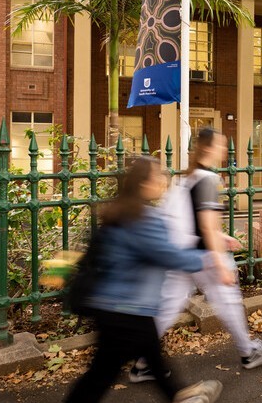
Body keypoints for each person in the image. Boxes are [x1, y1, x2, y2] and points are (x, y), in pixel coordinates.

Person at [64, 157, 223, 403]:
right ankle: (181, 397)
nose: (163, 181)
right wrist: (211, 258)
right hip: (126, 309)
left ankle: (179, 395)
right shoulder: (144, 218)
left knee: (150, 362)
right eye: (158, 176)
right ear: (143, 183)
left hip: (120, 307)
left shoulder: (122, 211)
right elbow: (168, 255)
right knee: (100, 376)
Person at [130, 127, 262, 383]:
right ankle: (248, 352)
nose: (224, 149)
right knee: (228, 300)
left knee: (168, 306)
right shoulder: (209, 179)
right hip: (201, 255)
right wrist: (220, 263)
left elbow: (191, 221)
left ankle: (143, 363)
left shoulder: (190, 177)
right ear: (208, 148)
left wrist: (222, 237)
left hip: (179, 252)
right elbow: (207, 226)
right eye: (221, 144)